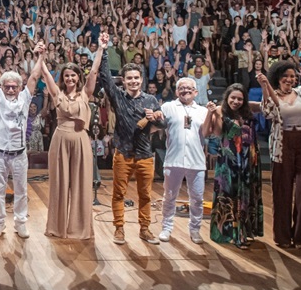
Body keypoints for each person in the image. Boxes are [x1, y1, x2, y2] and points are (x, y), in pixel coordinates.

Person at [99, 36, 165, 245]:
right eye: (129, 78)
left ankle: (145, 229)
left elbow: (162, 126)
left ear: (141, 79)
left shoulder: (151, 100)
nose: (133, 81)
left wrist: (156, 118)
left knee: (145, 195)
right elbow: (104, 78)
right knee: (118, 193)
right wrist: (104, 50)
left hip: (145, 155)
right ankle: (119, 229)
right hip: (123, 153)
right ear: (124, 80)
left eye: (136, 78)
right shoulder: (118, 97)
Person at [39, 39, 101, 239]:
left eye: (73, 75)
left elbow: (93, 72)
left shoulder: (85, 94)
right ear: (63, 78)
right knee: (59, 184)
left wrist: (100, 48)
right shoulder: (57, 94)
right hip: (60, 141)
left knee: (82, 184)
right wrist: (40, 55)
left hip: (81, 140)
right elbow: (46, 75)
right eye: (66, 75)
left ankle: (79, 229)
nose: (70, 78)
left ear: (78, 77)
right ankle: (57, 227)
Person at [260, 60, 301, 248]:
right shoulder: (273, 95)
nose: (290, 79)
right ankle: (282, 237)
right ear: (278, 78)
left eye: (293, 76)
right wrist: (265, 87)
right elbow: (268, 112)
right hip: (282, 144)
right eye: (286, 76)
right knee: (282, 191)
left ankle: (300, 237)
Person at [0, 41, 44, 239]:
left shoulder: (25, 98)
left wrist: (40, 56)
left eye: (13, 87)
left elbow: (34, 76)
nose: (10, 90)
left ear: (19, 88)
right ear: (2, 88)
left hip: (19, 154)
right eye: (7, 87)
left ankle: (20, 223)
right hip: (0, 153)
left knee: (21, 190)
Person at [157, 78, 214, 244]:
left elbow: (206, 133)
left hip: (196, 161)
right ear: (176, 91)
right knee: (169, 196)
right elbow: (157, 123)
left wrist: (211, 113)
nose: (185, 91)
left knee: (196, 198)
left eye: (189, 88)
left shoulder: (203, 111)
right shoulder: (167, 107)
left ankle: (195, 229)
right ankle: (166, 228)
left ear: (196, 92)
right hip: (173, 159)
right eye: (181, 88)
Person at [208, 84, 264, 248]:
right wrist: (215, 113)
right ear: (227, 98)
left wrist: (265, 85)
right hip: (229, 160)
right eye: (233, 98)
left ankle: (244, 231)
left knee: (246, 194)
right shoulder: (220, 111)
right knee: (228, 195)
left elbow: (268, 105)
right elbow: (217, 133)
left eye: (240, 98)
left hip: (249, 159)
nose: (236, 101)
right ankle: (231, 233)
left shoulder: (249, 110)